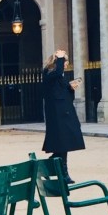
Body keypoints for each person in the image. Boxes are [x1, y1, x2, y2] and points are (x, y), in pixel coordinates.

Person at [41, 49, 85, 184]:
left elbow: (64, 94)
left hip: (64, 113)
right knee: (62, 145)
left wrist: (71, 88)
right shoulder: (49, 73)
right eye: (65, 60)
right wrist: (60, 58)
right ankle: (63, 174)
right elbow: (57, 73)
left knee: (63, 146)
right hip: (57, 115)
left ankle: (49, 169)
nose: (67, 63)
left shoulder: (59, 76)